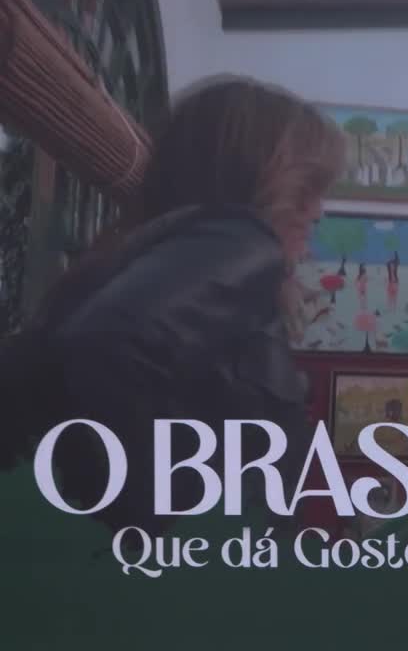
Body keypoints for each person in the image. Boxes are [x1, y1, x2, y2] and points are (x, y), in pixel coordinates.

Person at [0, 75, 345, 535]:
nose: (318, 211)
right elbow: (102, 348)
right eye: (307, 188)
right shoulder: (242, 242)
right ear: (257, 179)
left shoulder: (137, 254)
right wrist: (173, 540)